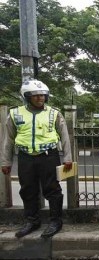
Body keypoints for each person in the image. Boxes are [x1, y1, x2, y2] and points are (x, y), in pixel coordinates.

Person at [1, 79, 73, 238]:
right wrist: (6, 162)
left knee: (53, 189)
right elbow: (9, 140)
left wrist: (68, 157)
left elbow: (64, 136)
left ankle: (56, 221)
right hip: (25, 157)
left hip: (49, 156)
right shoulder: (15, 113)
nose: (40, 98)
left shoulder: (54, 113)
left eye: (43, 95)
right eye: (35, 95)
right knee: (27, 190)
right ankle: (32, 221)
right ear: (26, 96)